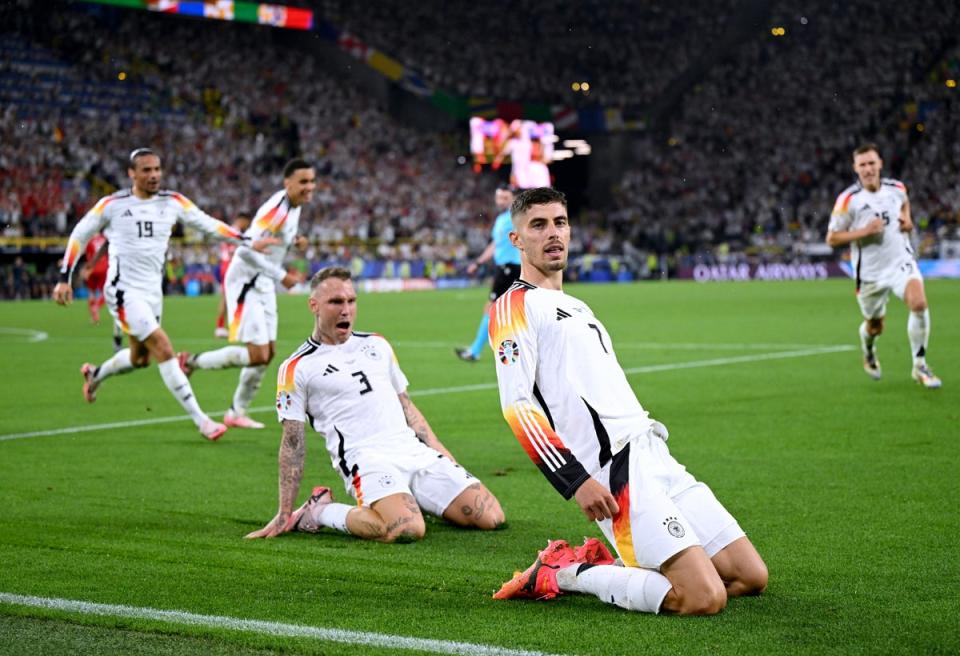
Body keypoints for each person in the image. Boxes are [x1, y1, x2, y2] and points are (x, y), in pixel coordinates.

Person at [489, 187, 767, 615]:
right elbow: (517, 407)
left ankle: (632, 563)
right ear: (516, 240)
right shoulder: (514, 305)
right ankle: (564, 573)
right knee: (702, 598)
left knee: (750, 577)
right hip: (614, 470)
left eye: (560, 222)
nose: (552, 234)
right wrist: (576, 481)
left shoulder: (577, 306)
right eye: (538, 225)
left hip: (653, 453)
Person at [246, 266, 505, 542]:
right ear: (314, 305)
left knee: (491, 517)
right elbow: (293, 443)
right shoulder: (297, 367)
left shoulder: (377, 344)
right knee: (407, 529)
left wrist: (447, 460)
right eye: (336, 302)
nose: (346, 309)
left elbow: (408, 409)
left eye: (351, 301)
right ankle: (320, 511)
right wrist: (284, 511)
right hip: (367, 460)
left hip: (412, 451)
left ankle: (407, 496)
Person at [52, 148, 267, 441]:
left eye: (157, 169)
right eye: (146, 170)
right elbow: (79, 234)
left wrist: (245, 240)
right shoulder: (112, 205)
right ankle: (202, 421)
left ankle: (95, 374)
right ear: (132, 174)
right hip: (123, 292)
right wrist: (65, 277)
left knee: (141, 359)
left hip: (153, 292)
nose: (153, 175)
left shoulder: (173, 202)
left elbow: (208, 225)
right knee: (164, 348)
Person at [177, 159, 313, 429]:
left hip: (263, 281)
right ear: (288, 184)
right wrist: (282, 276)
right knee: (258, 354)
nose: (310, 187)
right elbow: (244, 251)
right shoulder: (275, 212)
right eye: (303, 182)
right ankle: (191, 361)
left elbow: (276, 241)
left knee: (269, 352)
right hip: (246, 282)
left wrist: (296, 241)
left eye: (312, 181)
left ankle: (235, 412)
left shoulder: (294, 207)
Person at [826, 143, 941, 388]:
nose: (868, 169)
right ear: (855, 169)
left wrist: (907, 219)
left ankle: (920, 365)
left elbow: (905, 202)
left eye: (871, 163)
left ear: (880, 164)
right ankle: (868, 350)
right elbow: (832, 239)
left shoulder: (896, 188)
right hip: (869, 274)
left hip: (900, 262)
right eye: (862, 165)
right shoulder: (848, 200)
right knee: (875, 326)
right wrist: (864, 231)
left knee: (919, 304)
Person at [456, 184, 520, 362]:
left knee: (493, 308)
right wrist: (478, 262)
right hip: (503, 268)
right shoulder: (501, 219)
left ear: (513, 199)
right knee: (508, 310)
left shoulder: (518, 217)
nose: (500, 201)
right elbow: (495, 245)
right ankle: (481, 350)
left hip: (512, 268)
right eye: (499, 197)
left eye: (505, 198)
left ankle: (475, 350)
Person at [214, 211, 252, 338]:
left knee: (229, 296)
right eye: (247, 222)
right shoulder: (236, 232)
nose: (247, 225)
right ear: (242, 220)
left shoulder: (229, 229)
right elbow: (232, 252)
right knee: (229, 297)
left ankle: (227, 326)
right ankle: (224, 327)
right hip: (230, 266)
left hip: (226, 265)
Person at [81, 233, 108, 324]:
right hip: (104, 267)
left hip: (92, 269)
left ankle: (94, 318)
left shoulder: (89, 240)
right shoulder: (105, 238)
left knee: (91, 292)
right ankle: (96, 306)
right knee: (105, 292)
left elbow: (88, 257)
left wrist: (86, 270)